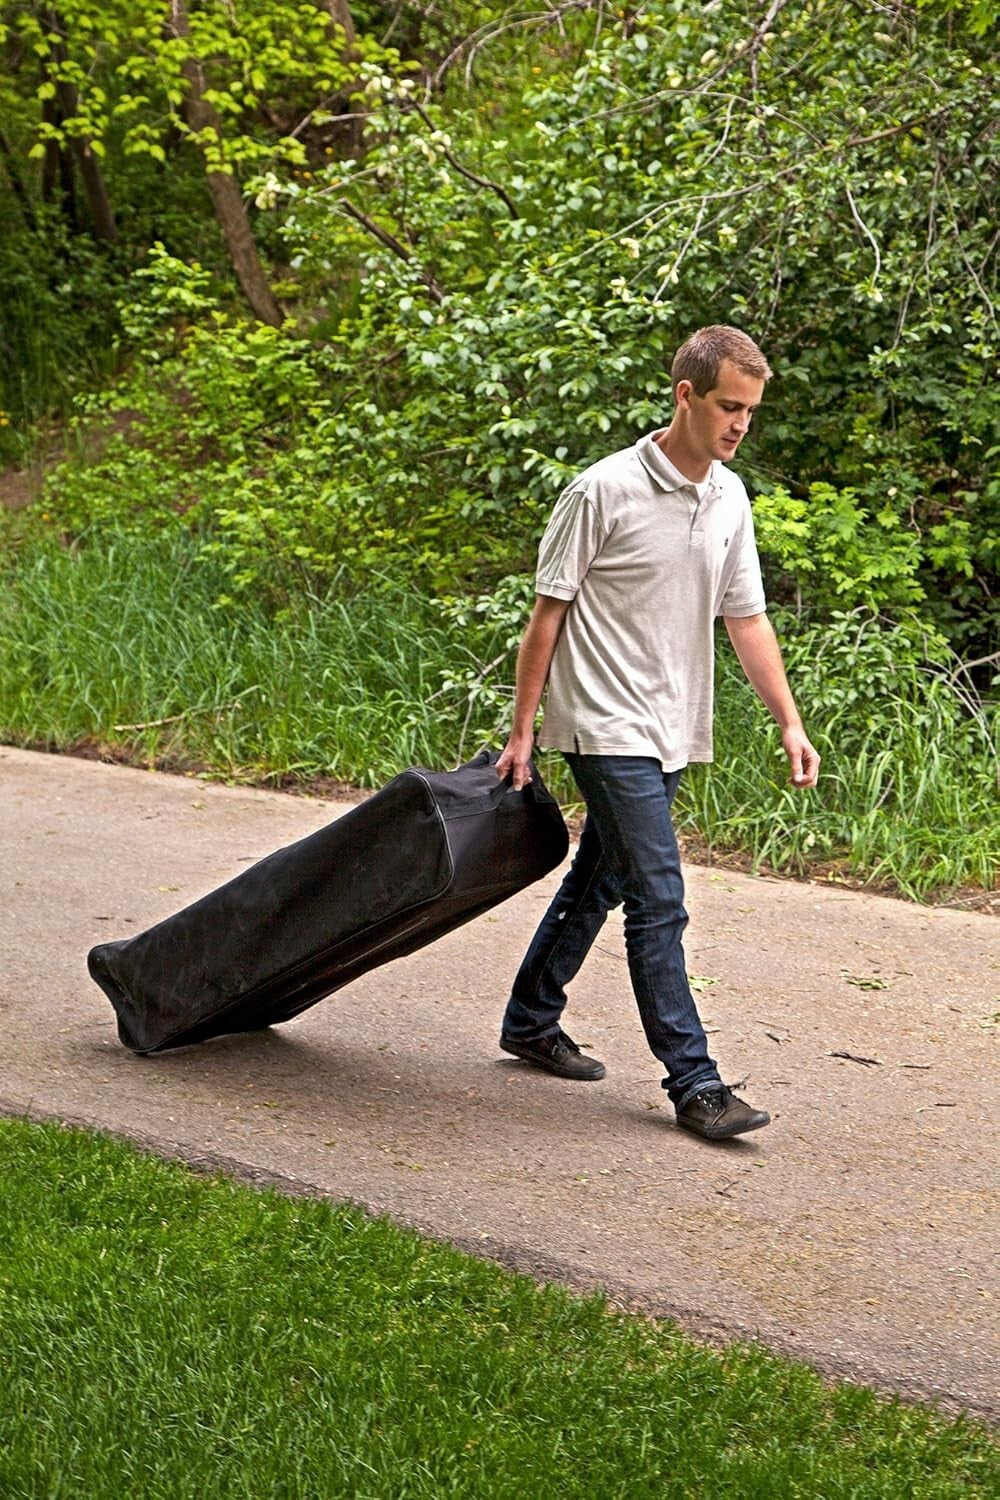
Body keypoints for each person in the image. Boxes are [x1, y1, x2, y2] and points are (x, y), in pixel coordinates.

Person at [495, 324, 820, 1141]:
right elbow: (548, 615)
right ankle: (696, 1083)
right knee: (659, 897)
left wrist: (789, 721)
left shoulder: (728, 498)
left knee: (602, 880)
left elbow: (745, 618)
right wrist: (524, 728)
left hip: (676, 723)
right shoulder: (601, 491)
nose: (740, 423)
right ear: (686, 395)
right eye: (727, 406)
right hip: (603, 721)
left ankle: (531, 1019)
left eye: (751, 409)